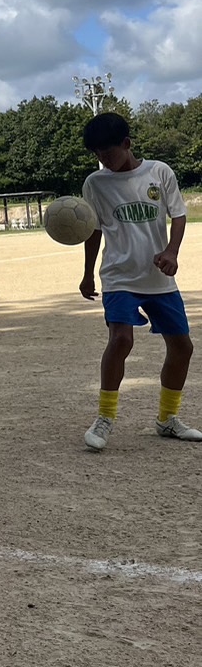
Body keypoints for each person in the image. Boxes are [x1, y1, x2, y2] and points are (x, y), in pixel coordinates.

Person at [79, 111, 201, 452]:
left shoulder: (159, 172)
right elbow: (93, 230)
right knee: (121, 340)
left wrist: (172, 251)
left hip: (158, 278)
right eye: (97, 154)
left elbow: (178, 214)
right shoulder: (95, 183)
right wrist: (87, 274)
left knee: (183, 347)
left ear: (127, 143)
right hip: (118, 276)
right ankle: (104, 418)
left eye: (108, 152)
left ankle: (168, 419)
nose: (103, 159)